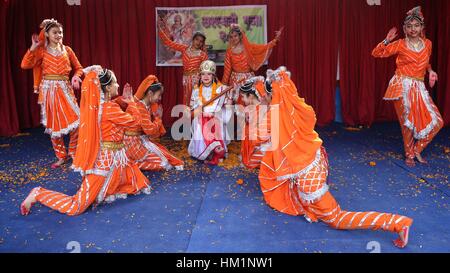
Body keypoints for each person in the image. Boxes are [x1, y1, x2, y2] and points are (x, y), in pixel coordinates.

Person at [259, 66, 413, 248]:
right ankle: (312, 208)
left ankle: (398, 223)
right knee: (291, 185)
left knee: (337, 219)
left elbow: (262, 141)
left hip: (309, 178)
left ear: (272, 96)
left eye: (263, 96)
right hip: (317, 159)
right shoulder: (292, 111)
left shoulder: (275, 119)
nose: (261, 99)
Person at [20, 66, 152, 216]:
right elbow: (136, 123)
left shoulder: (98, 107)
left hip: (115, 160)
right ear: (107, 88)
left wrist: (125, 100)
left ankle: (104, 189)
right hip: (104, 164)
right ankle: (38, 193)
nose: (118, 85)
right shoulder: (109, 109)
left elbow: (114, 107)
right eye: (115, 83)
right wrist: (132, 103)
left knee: (136, 183)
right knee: (76, 207)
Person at [371, 6, 443, 167]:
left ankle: (417, 149)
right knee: (407, 124)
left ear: (422, 27)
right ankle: (409, 154)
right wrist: (387, 40)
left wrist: (431, 71)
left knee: (438, 122)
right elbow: (376, 53)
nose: (413, 29)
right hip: (401, 85)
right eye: (409, 26)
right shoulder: (401, 44)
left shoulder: (428, 44)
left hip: (419, 86)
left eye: (416, 26)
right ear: (405, 28)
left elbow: (426, 62)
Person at [21, 18, 83, 168]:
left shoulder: (67, 50)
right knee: (54, 126)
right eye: (55, 32)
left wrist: (76, 76)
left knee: (78, 122)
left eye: (60, 32)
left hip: (66, 89)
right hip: (49, 91)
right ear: (47, 34)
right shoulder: (41, 51)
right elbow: (25, 65)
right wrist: (33, 47)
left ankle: (73, 152)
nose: (59, 35)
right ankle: (61, 156)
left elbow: (79, 68)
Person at [123, 75, 184, 171]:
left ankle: (131, 161)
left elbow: (152, 133)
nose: (159, 98)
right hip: (132, 145)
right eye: (159, 95)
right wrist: (158, 118)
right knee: (163, 164)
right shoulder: (140, 107)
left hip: (140, 140)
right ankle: (129, 163)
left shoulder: (147, 106)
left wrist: (157, 118)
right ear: (150, 93)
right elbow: (150, 131)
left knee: (163, 155)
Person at [222, 24, 282, 104]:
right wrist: (223, 85)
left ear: (240, 36)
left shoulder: (249, 48)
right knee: (239, 106)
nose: (233, 38)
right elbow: (227, 69)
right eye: (231, 37)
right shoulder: (229, 52)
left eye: (235, 36)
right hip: (235, 81)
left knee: (252, 104)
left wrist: (275, 40)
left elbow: (263, 48)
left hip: (249, 79)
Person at [188, 60, 233, 165]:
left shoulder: (222, 89)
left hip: (217, 116)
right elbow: (193, 107)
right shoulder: (196, 90)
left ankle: (216, 151)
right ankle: (206, 153)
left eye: (209, 74)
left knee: (213, 122)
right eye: (203, 74)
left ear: (213, 75)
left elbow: (226, 107)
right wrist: (198, 111)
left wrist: (230, 99)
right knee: (201, 122)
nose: (206, 76)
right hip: (201, 116)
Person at [157, 18, 208, 105]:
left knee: (197, 102)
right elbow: (168, 43)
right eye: (197, 39)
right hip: (185, 79)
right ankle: (187, 118)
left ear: (202, 43)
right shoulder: (184, 49)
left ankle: (197, 118)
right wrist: (160, 30)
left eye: (201, 41)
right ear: (193, 39)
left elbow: (206, 71)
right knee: (186, 101)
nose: (198, 42)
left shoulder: (203, 55)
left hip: (197, 81)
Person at [239, 76, 271, 169]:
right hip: (252, 143)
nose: (242, 100)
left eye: (243, 97)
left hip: (261, 144)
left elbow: (263, 134)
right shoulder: (250, 109)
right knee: (247, 162)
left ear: (251, 96)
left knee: (249, 163)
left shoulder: (263, 110)